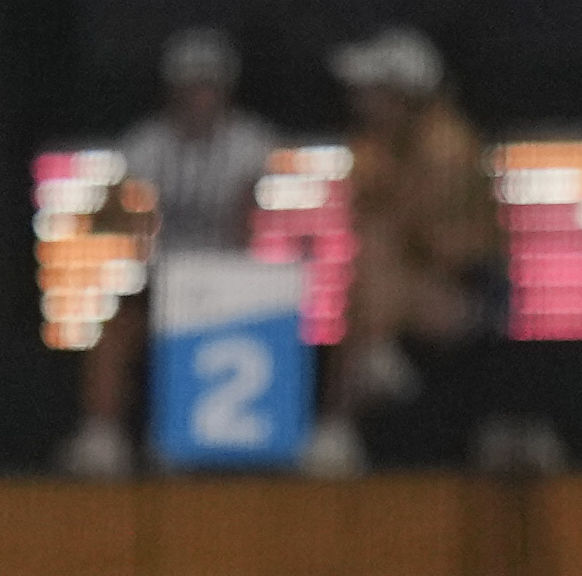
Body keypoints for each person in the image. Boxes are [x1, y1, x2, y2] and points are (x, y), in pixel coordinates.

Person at [62, 24, 278, 474]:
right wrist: (129, 216)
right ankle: (102, 434)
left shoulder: (251, 141)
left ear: (225, 90)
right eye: (190, 88)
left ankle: (190, 436)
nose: (199, 99)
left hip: (231, 283)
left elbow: (252, 220)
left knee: (212, 327)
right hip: (166, 279)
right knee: (114, 330)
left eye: (208, 87)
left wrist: (227, 282)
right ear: (172, 91)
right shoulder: (146, 142)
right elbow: (105, 214)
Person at [309, 24, 501, 474]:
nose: (358, 100)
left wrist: (399, 230)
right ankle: (368, 370)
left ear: (402, 96)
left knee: (373, 274)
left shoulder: (449, 146)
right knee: (366, 282)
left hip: (466, 303)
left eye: (371, 90)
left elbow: (453, 253)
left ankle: (341, 421)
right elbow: (365, 226)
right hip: (397, 292)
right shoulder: (372, 148)